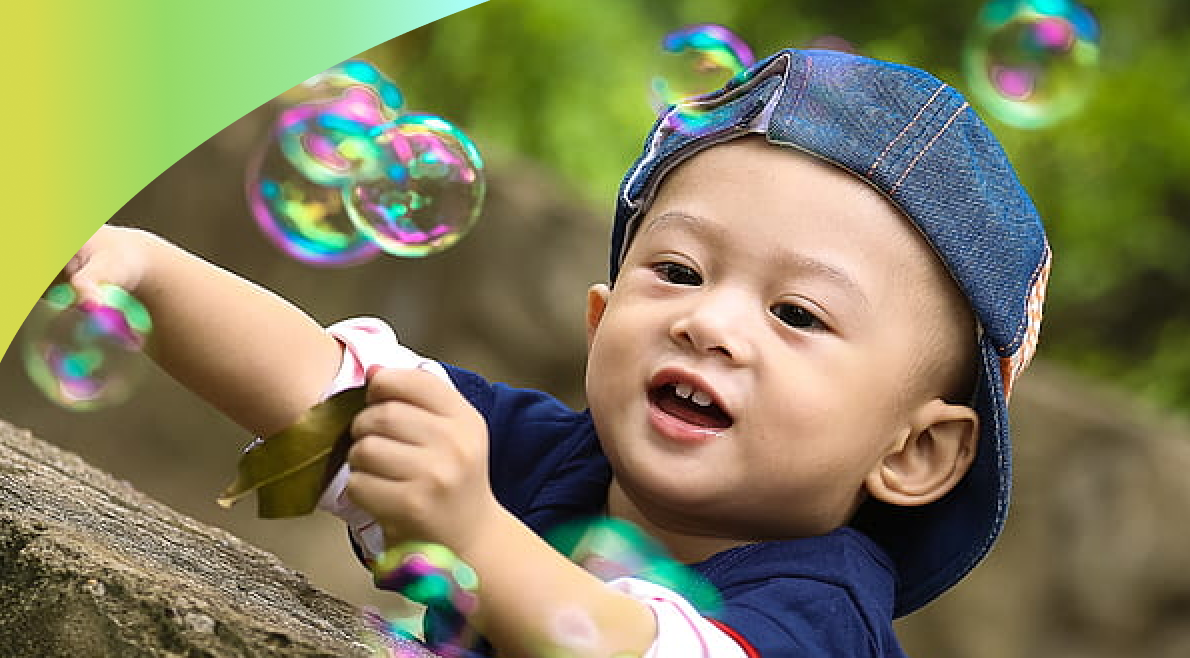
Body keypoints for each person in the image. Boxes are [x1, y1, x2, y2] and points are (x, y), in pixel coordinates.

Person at [61, 48, 1051, 658]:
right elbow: (327, 390)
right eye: (675, 269)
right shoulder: (544, 459)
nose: (709, 322)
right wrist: (142, 266)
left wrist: (473, 531)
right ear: (599, 315)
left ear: (912, 449)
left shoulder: (820, 609)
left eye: (795, 312)